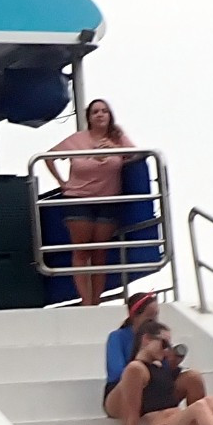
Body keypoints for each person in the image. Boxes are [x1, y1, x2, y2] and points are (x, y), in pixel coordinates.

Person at [44, 98, 137, 306]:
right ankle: (86, 302)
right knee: (81, 251)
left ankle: (95, 301)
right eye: (95, 112)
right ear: (89, 117)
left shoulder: (117, 136)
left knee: (100, 253)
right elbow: (48, 157)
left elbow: (137, 154)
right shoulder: (77, 139)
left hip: (108, 199)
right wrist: (61, 182)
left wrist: (115, 150)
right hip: (78, 199)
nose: (100, 115)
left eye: (104, 111)